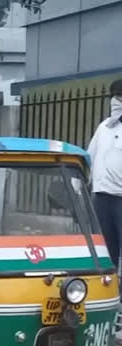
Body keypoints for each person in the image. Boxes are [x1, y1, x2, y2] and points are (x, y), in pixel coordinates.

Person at [88, 79, 122, 269]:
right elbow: (89, 156)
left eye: (120, 97)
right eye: (115, 97)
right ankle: (110, 286)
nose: (116, 101)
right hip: (102, 195)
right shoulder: (105, 128)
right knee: (105, 246)